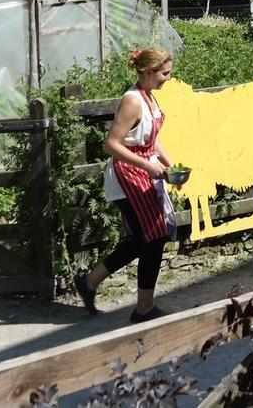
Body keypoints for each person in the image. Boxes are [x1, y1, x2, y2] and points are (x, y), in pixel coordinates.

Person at [74, 47, 178, 322]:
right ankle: (143, 308)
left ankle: (89, 282)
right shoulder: (132, 101)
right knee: (153, 238)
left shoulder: (149, 98)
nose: (168, 78)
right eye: (164, 73)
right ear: (147, 72)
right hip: (128, 176)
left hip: (145, 171)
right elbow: (111, 144)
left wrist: (172, 166)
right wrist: (147, 165)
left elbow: (150, 138)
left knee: (145, 239)